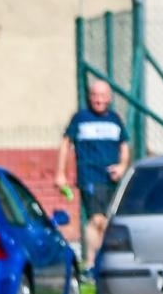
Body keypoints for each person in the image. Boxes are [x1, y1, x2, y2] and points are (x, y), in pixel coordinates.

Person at [54, 79, 131, 267]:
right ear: (89, 97)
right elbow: (65, 144)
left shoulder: (115, 119)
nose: (99, 100)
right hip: (90, 177)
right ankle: (90, 263)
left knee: (109, 222)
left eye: (103, 96)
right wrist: (60, 173)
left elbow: (124, 146)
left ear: (109, 98)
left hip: (112, 180)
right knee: (97, 220)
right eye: (95, 95)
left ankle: (105, 262)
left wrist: (122, 166)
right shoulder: (80, 118)